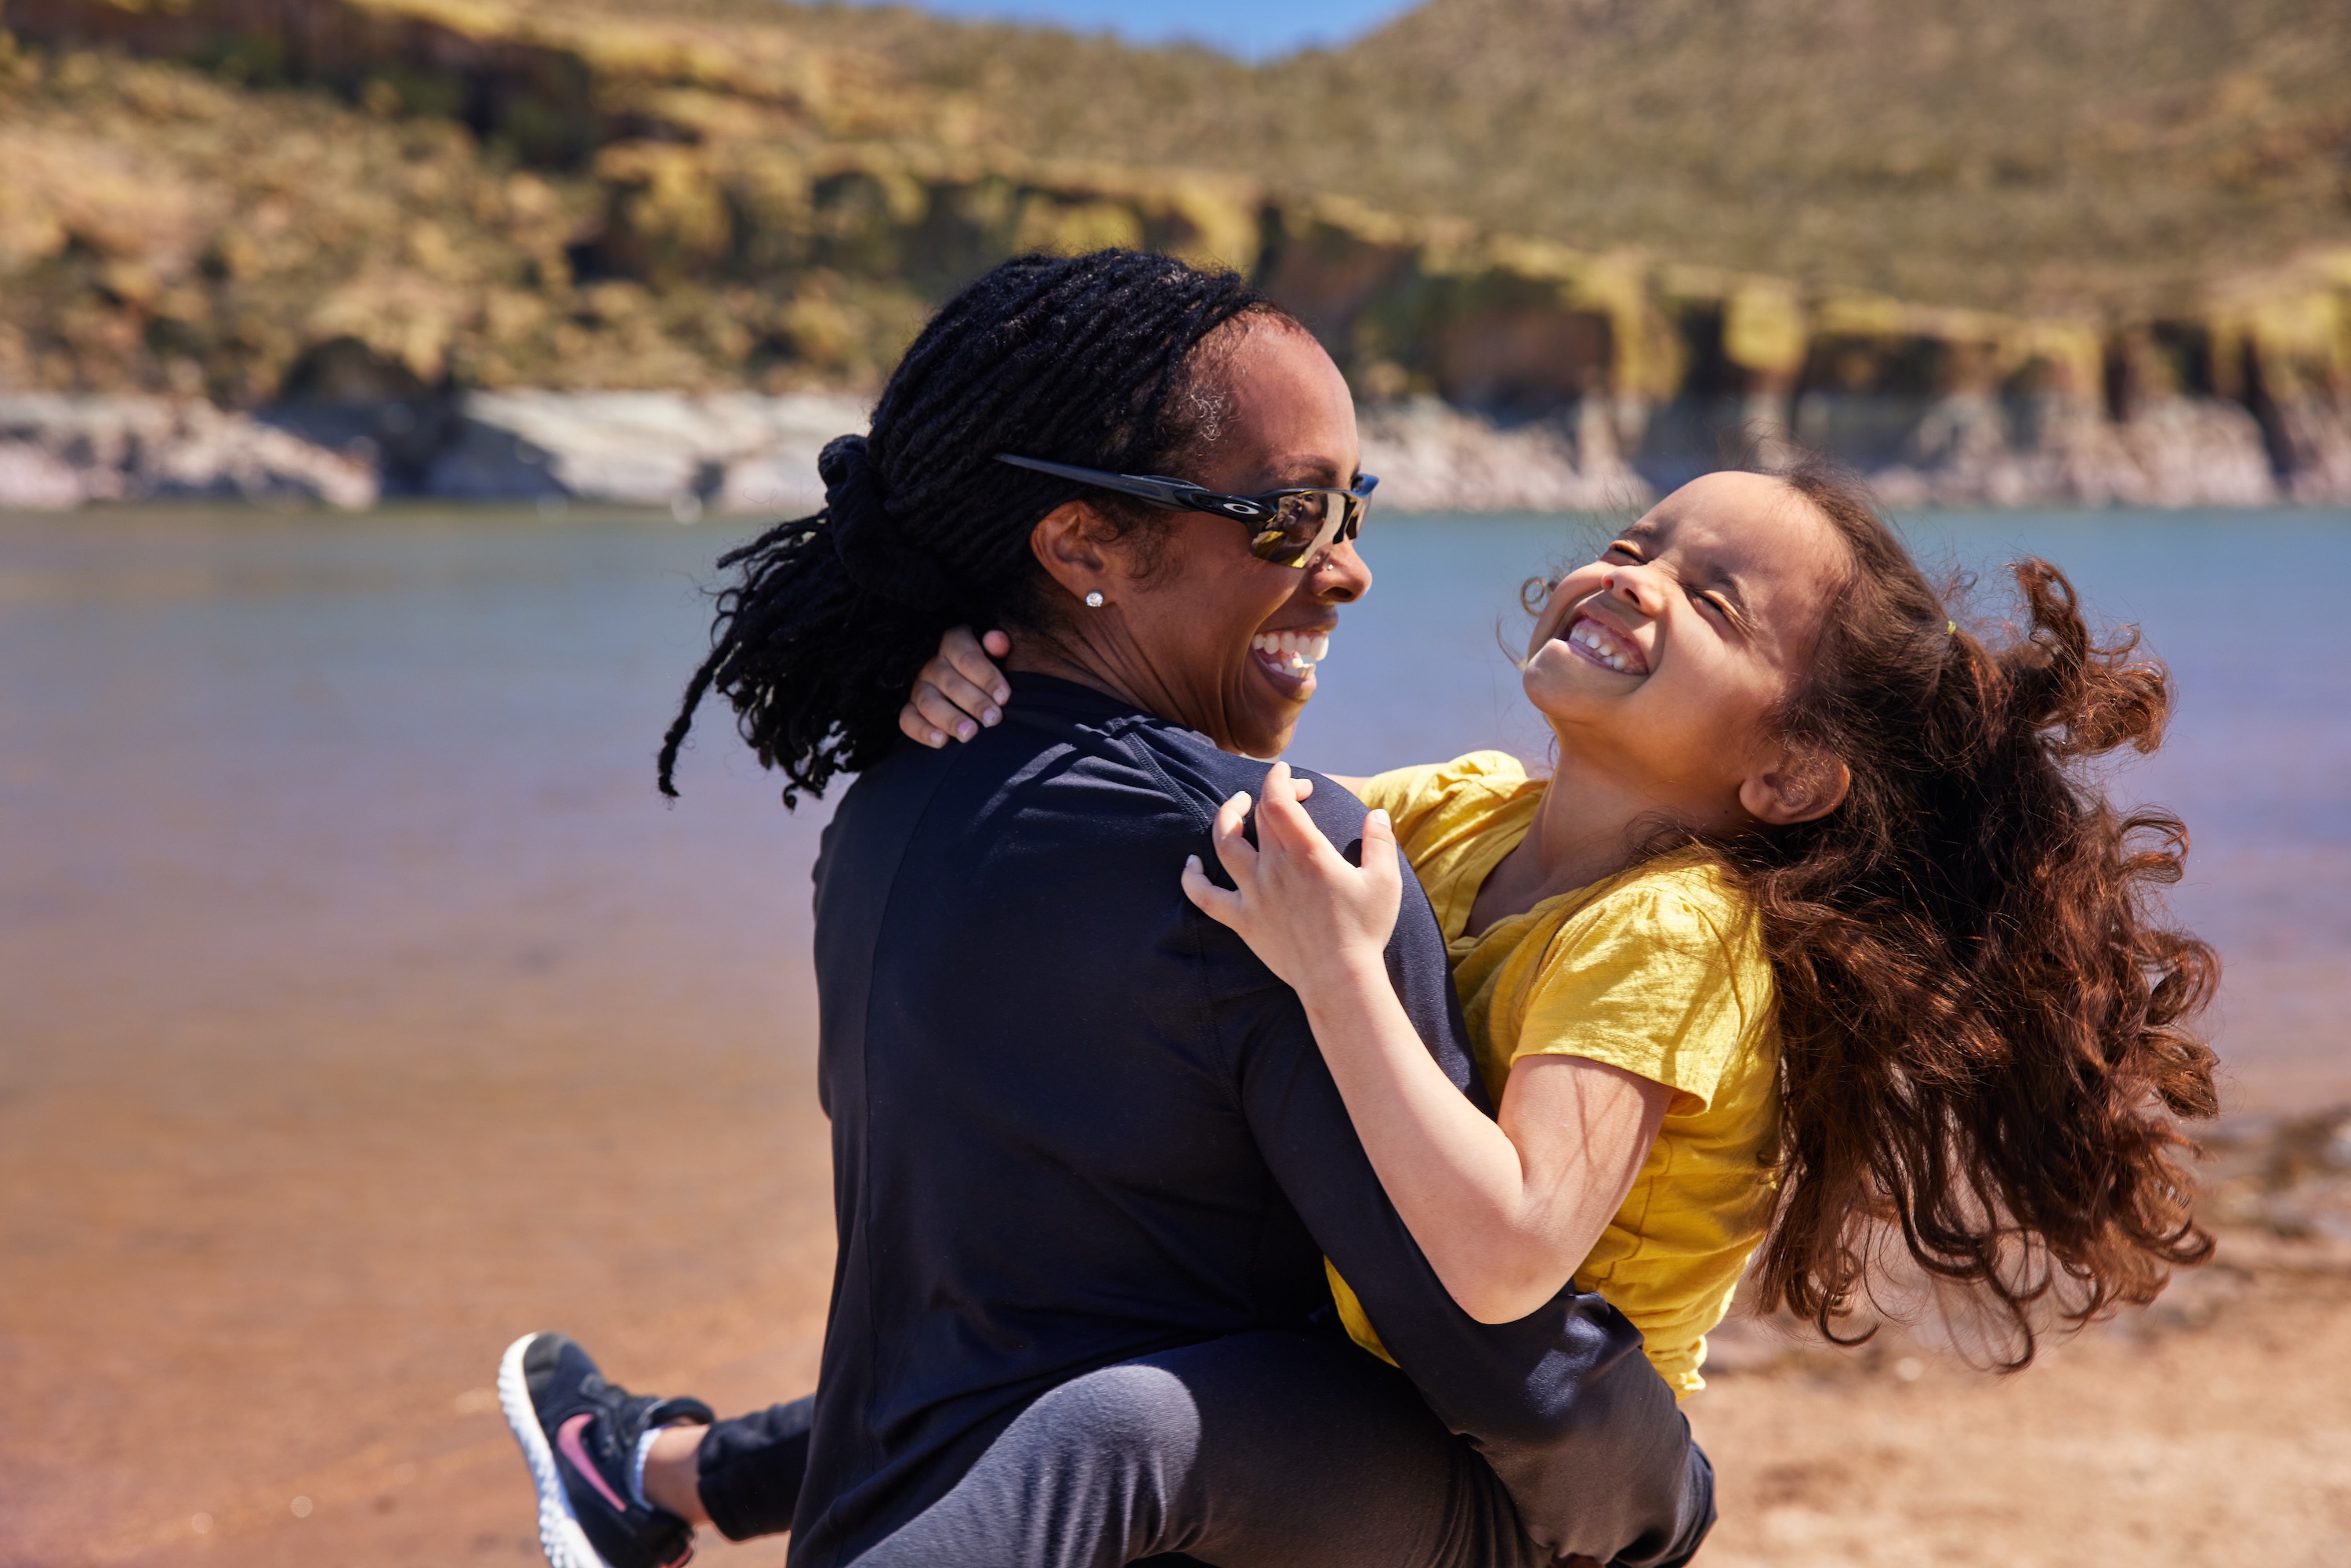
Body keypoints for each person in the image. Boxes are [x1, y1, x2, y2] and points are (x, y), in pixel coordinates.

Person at [494, 248, 1714, 1568]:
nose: (1345, 569)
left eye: (1351, 509)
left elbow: (999, 1307)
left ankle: (648, 1470)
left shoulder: (889, 803)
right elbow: (1489, 1353)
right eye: (1286, 518)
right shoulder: (1281, 873)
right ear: (1082, 542)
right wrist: (1668, 1497)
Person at [910, 461, 2222, 1411]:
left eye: (1715, 602)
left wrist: (1341, 970)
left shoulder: (1678, 932)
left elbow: (1506, 1258)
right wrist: (988, 685)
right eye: (1639, 544)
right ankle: (702, 1472)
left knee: (1096, 1423)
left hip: (1522, 1465)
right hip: (1361, 1373)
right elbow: (1193, 831)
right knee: (1020, 1339)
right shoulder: (1473, 812)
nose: (1632, 580)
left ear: (1791, 772)